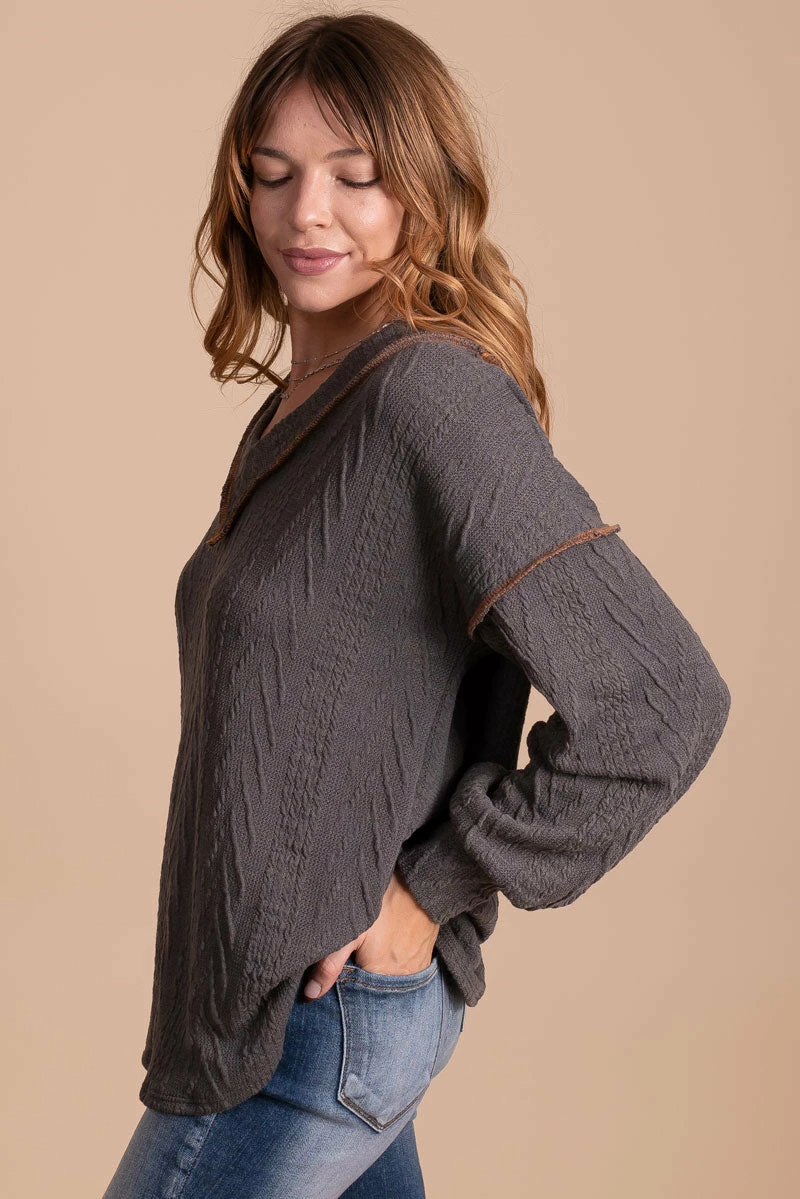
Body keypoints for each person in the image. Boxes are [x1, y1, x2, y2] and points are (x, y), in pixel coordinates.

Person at [102, 10, 731, 1198]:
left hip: (315, 1016)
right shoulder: (303, 411)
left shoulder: (427, 399)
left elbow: (660, 701)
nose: (307, 214)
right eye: (273, 174)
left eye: (356, 177)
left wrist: (431, 888)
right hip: (275, 1003)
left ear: (423, 192)